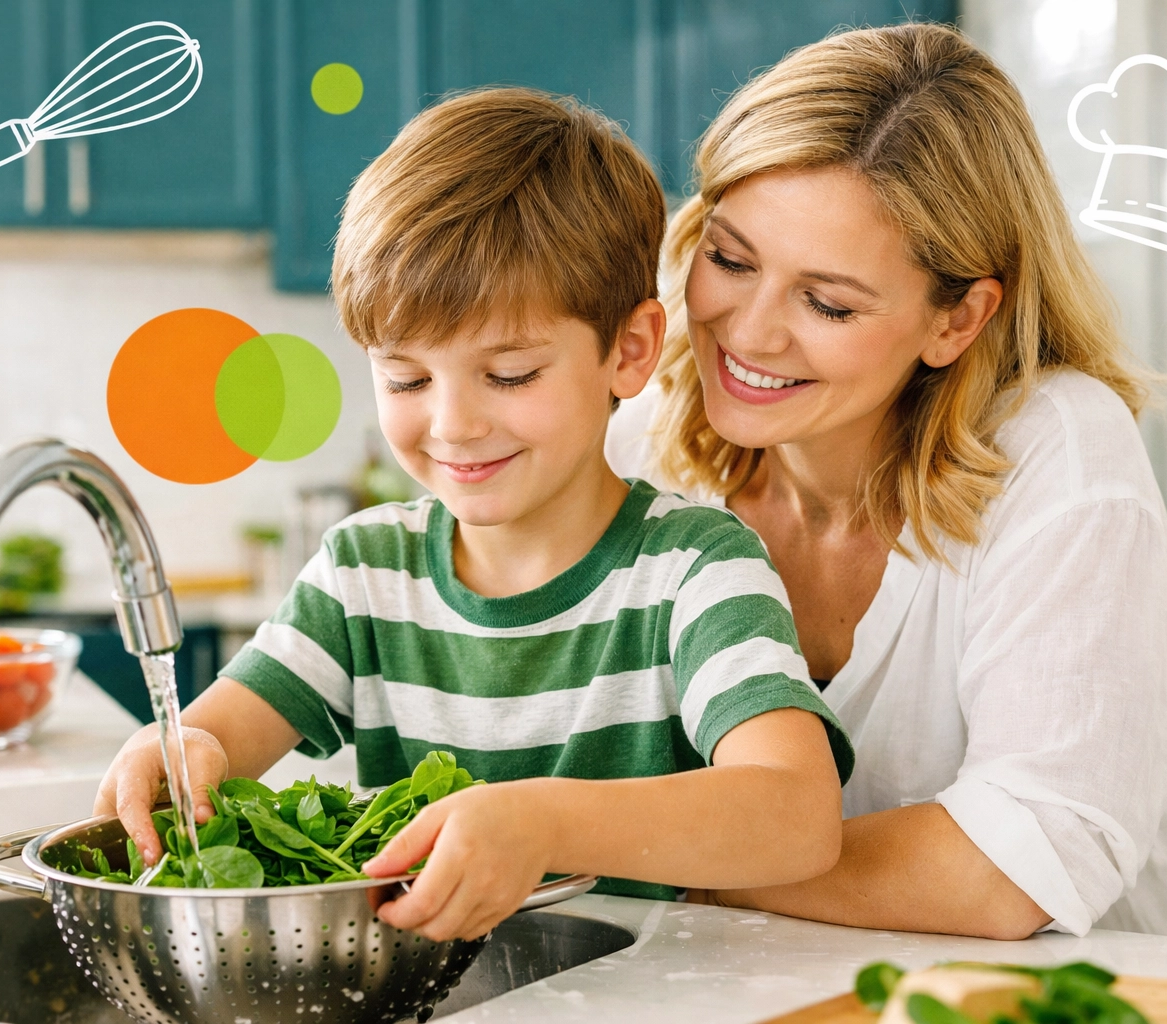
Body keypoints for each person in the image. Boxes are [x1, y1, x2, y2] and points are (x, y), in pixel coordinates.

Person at [607, 23, 1167, 950]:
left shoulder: (1056, 453)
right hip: (881, 954)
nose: (748, 332)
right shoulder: (648, 445)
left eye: (826, 303)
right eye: (732, 259)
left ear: (957, 319)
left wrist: (677, 871)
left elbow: (1007, 870)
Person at [97, 88, 852, 943]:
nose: (452, 424)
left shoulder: (697, 568)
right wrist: (184, 749)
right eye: (407, 378)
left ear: (631, 350)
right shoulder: (362, 573)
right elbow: (221, 730)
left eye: (510, 375)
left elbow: (797, 815)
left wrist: (542, 825)